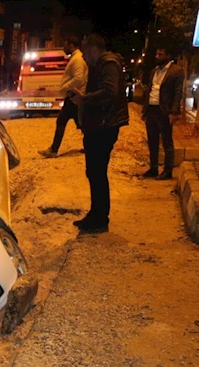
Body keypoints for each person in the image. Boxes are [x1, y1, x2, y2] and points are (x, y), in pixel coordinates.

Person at [66, 34, 129, 234]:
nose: (84, 58)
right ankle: (96, 214)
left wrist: (84, 99)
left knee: (97, 172)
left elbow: (110, 92)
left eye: (85, 53)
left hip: (104, 126)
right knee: (94, 172)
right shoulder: (103, 64)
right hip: (100, 125)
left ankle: (100, 218)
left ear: (93, 49)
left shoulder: (108, 64)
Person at [38, 35, 87, 158]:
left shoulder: (77, 59)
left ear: (71, 45)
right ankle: (92, 146)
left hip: (74, 96)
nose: (64, 47)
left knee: (64, 121)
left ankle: (54, 150)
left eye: (65, 45)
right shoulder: (76, 58)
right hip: (74, 96)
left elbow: (79, 78)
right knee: (81, 124)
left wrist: (65, 87)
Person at [140, 45, 184, 179]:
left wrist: (174, 112)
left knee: (166, 141)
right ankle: (153, 168)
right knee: (152, 141)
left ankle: (168, 171)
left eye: (160, 54)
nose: (157, 57)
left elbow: (178, 92)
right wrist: (144, 109)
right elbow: (150, 90)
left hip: (164, 111)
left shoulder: (176, 71)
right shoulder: (155, 71)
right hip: (151, 109)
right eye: (157, 54)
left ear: (168, 56)